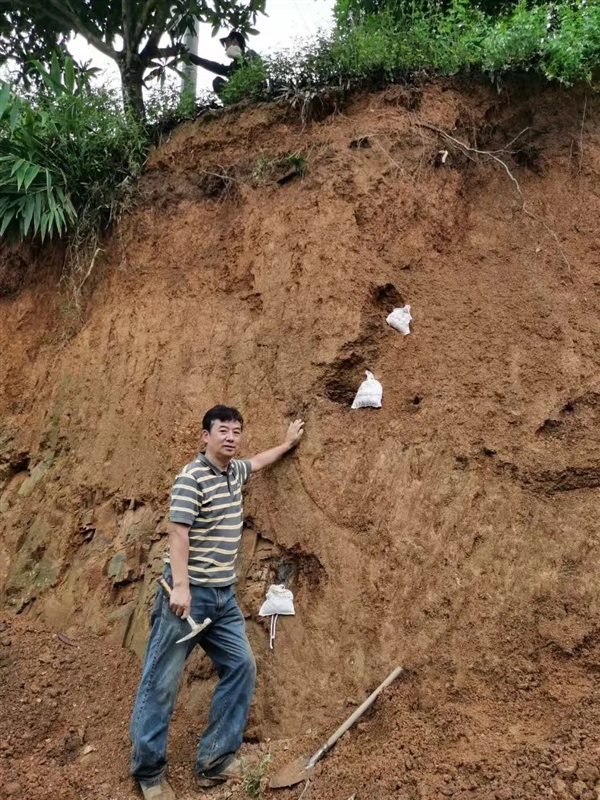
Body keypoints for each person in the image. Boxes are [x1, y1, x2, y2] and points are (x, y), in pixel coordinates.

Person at [130, 405, 305, 800]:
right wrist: (180, 586)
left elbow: (258, 461)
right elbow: (178, 533)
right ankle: (149, 772)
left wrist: (288, 443)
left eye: (237, 431)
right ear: (205, 436)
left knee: (241, 666)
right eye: (223, 430)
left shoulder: (234, 472)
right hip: (187, 599)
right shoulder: (191, 478)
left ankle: (214, 760)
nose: (231, 436)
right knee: (161, 683)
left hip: (223, 599)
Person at [187, 30, 260, 96]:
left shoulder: (250, 54)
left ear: (234, 40)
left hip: (254, 92)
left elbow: (258, 70)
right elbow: (211, 65)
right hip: (237, 96)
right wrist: (189, 56)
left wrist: (239, 58)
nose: (225, 48)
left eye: (226, 43)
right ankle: (231, 103)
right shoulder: (231, 68)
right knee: (217, 82)